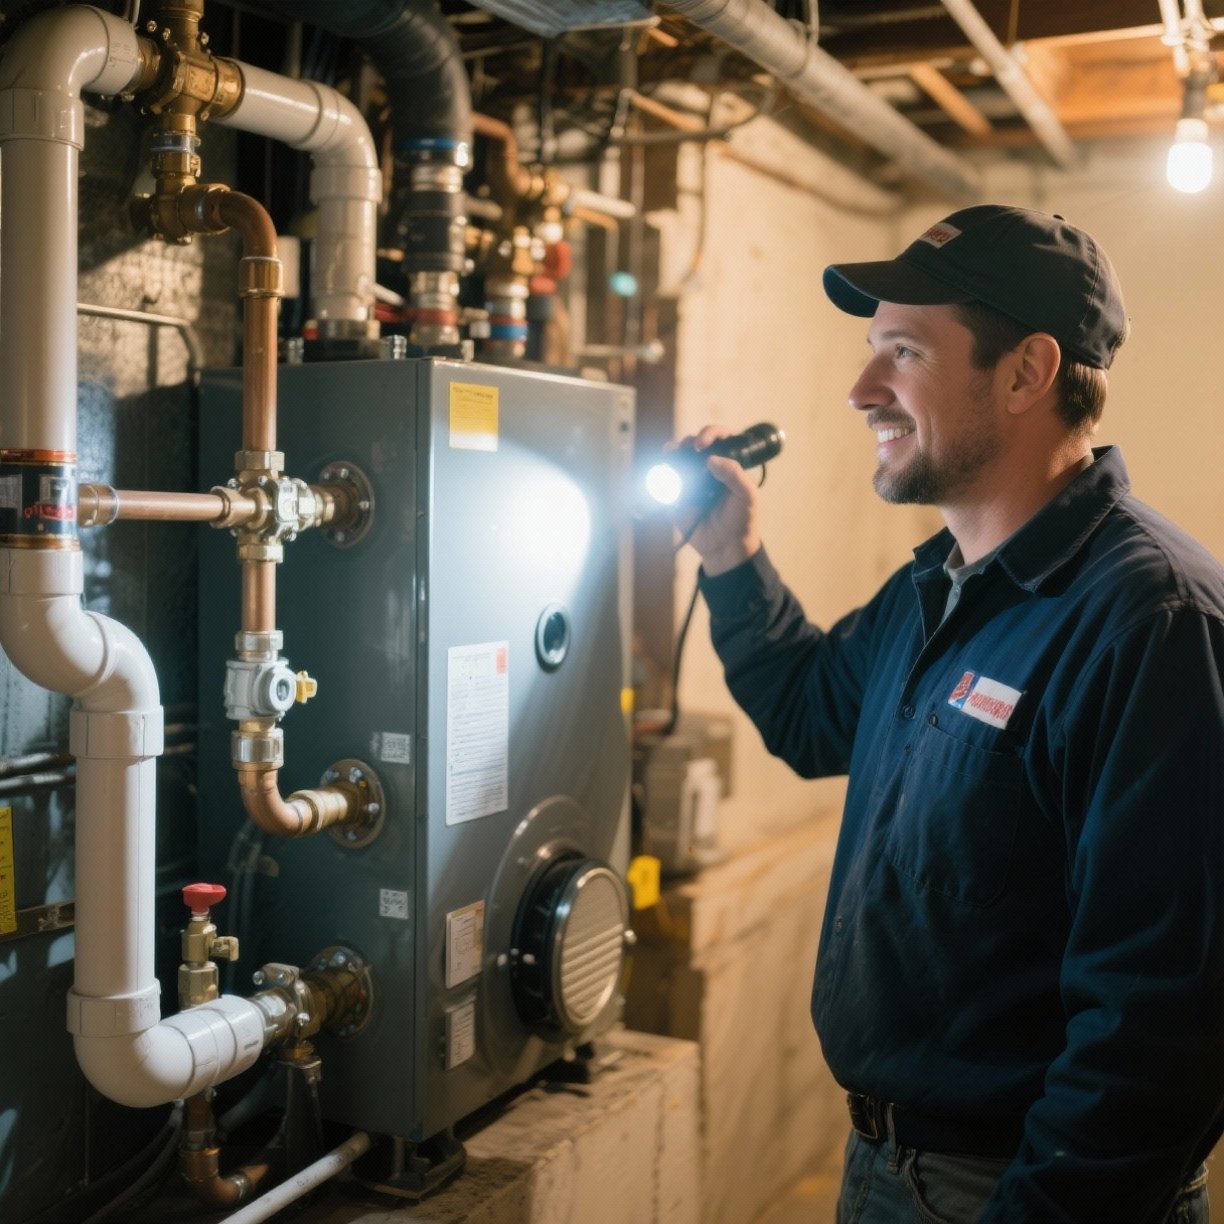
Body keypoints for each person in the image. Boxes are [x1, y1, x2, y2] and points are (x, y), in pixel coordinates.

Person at [679, 205, 1224, 1223]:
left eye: (904, 352)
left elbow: (1163, 1022)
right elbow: (810, 715)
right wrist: (731, 556)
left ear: (1025, 373)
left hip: (1023, 1188)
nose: (860, 390)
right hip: (887, 1168)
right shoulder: (937, 586)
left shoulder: (1150, 623)